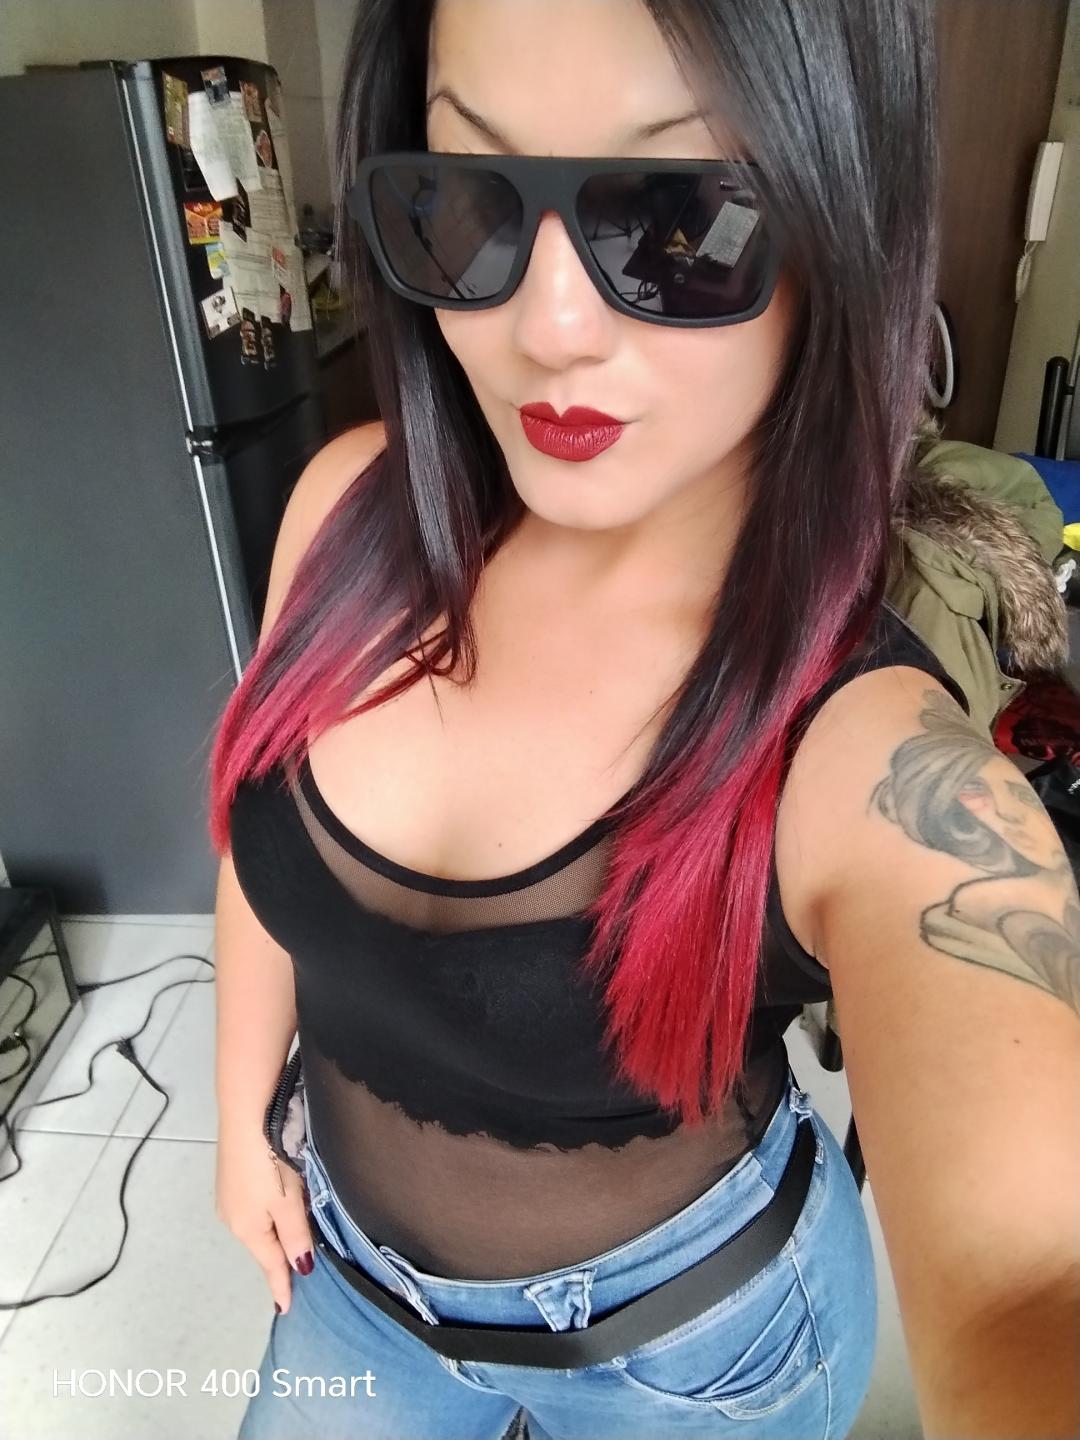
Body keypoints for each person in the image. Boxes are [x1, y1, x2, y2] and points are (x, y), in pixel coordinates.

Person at [210, 1, 1080, 1437]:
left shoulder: (864, 761)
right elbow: (263, 847)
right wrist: (241, 1118)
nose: (545, 328)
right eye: (468, 199)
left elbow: (1028, 1284)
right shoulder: (348, 513)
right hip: (348, 1287)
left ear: (841, 233)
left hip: (694, 1356)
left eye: (680, 221)